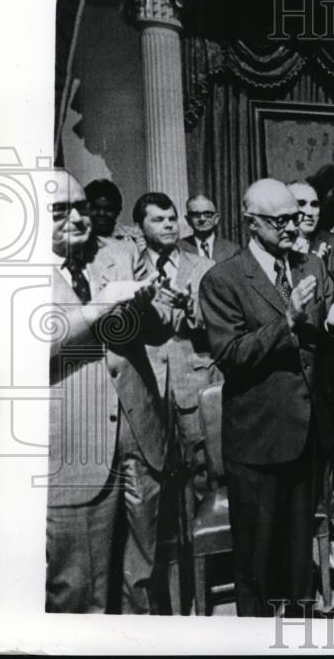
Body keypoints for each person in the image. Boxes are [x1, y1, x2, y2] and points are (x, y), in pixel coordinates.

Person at [199, 179, 334, 617]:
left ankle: (302, 619)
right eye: (281, 220)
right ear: (251, 222)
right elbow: (231, 356)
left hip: (308, 431)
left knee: (298, 545)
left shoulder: (311, 265)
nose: (293, 226)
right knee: (257, 558)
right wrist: (287, 321)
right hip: (259, 439)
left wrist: (333, 324)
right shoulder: (223, 279)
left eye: (296, 217)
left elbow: (322, 340)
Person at [46, 171, 168, 613]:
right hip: (75, 449)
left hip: (138, 431)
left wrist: (145, 306)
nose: (78, 217)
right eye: (61, 210)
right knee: (79, 590)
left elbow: (157, 331)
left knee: (142, 577)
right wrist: (101, 306)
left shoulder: (119, 252)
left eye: (81, 206)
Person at [134, 192, 220, 506]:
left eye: (172, 218)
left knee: (203, 470)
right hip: (149, 387)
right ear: (140, 227)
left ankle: (206, 550)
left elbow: (220, 325)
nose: (169, 225)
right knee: (157, 478)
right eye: (158, 220)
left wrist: (192, 308)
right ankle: (175, 553)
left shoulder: (204, 267)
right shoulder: (130, 271)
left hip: (195, 382)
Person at [287, 180, 334, 297]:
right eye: (301, 204)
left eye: (314, 204)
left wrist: (322, 270)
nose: (309, 212)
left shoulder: (333, 242)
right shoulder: (276, 243)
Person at [84, 177, 142, 252]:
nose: (101, 213)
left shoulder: (134, 238)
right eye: (95, 208)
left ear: (118, 211)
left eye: (108, 209)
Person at [180, 194, 240, 263]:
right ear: (188, 220)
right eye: (196, 215)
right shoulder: (178, 248)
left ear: (216, 219)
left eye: (207, 214)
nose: (202, 219)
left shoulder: (232, 250)